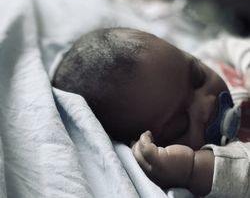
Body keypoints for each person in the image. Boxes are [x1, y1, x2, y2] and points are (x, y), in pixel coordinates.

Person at [52, 27, 250, 197]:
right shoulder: (209, 167)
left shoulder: (205, 62)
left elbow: (225, 46)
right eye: (180, 125)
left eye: (198, 78)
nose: (207, 105)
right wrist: (192, 169)